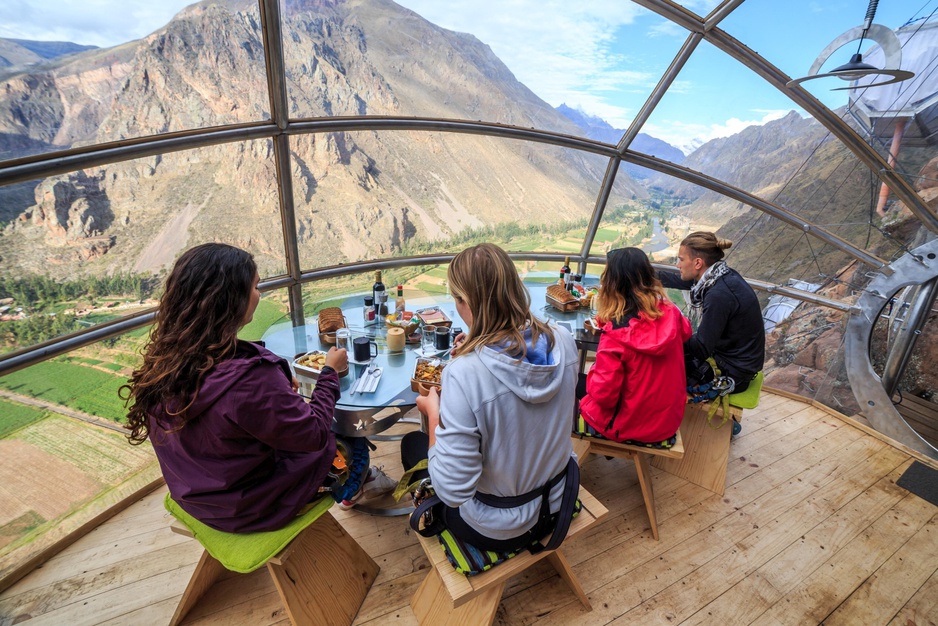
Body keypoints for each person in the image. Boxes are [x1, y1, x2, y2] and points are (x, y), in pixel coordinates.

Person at [120, 243, 391, 533]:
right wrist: (330, 373)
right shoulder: (250, 380)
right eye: (255, 287)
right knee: (351, 432)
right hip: (255, 508)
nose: (258, 295)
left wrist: (276, 382)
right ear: (232, 300)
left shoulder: (167, 360)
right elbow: (312, 434)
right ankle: (353, 488)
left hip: (201, 498)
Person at [403, 243, 580, 552]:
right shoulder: (563, 340)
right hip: (559, 499)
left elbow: (453, 492)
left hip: (499, 526)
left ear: (465, 301)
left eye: (457, 299)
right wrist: (476, 344)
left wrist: (434, 414)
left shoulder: (462, 375)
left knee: (413, 447)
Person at [577, 247, 691, 446]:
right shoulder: (672, 314)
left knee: (571, 384)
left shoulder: (614, 336)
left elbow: (604, 397)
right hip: (666, 423)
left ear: (611, 283)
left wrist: (594, 370)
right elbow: (682, 331)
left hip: (628, 426)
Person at [658, 231, 765, 396]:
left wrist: (663, 332)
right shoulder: (718, 277)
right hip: (733, 358)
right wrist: (643, 274)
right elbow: (679, 279)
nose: (678, 265)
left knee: (658, 366)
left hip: (734, 371)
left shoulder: (719, 295)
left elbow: (701, 348)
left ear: (698, 263)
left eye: (681, 260)